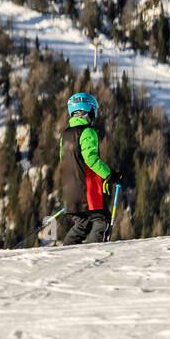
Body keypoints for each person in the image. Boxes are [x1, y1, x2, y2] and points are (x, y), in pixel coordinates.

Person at [58, 92, 113, 245]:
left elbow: (64, 159)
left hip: (70, 190)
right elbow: (91, 159)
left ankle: (66, 252)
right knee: (101, 220)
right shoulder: (87, 132)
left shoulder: (65, 135)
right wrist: (109, 174)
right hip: (86, 189)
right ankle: (95, 252)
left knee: (82, 223)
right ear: (88, 111)